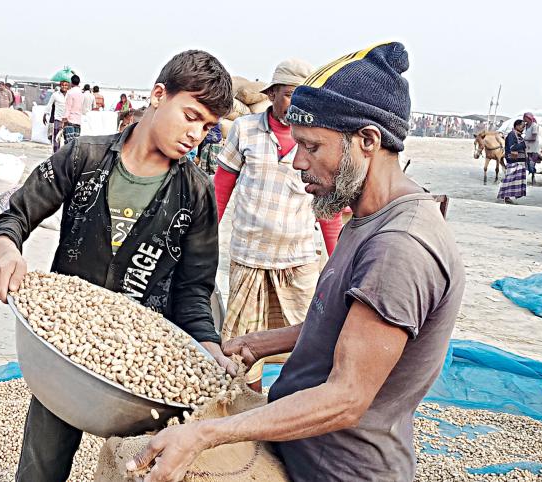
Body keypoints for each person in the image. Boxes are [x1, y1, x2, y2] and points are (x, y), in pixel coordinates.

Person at [127, 42, 465, 482]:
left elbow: (346, 398)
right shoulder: (366, 214)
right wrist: (263, 342)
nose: (297, 161)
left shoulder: (400, 247)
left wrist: (208, 434)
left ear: (367, 141)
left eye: (311, 146)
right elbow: (345, 327)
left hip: (338, 470)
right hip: (302, 452)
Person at [0, 49, 236, 482]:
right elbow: (14, 216)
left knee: (139, 468)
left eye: (208, 127)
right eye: (191, 116)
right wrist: (8, 254)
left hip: (146, 362)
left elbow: (194, 289)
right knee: (42, 465)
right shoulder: (84, 157)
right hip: (65, 349)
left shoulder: (195, 192)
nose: (196, 134)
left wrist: (208, 349)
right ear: (159, 95)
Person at [214, 58, 342, 340]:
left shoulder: (317, 140)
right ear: (271, 94)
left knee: (304, 341)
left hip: (298, 260)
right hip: (249, 257)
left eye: (303, 97)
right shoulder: (245, 129)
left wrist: (338, 259)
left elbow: (327, 209)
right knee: (241, 345)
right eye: (289, 94)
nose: (297, 104)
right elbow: (221, 190)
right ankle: (247, 387)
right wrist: (203, 240)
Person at [498, 119, 528, 204]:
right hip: (513, 161)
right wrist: (524, 144)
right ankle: (503, 196)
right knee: (509, 179)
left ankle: (506, 197)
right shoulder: (512, 135)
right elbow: (512, 147)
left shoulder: (519, 136)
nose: (523, 128)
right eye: (522, 126)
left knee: (512, 181)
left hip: (519, 162)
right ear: (517, 126)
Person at [43, 80, 69, 152]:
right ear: (60, 86)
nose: (64, 86)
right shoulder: (55, 95)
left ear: (68, 86)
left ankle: (65, 155)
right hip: (58, 119)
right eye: (63, 85)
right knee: (56, 139)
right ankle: (56, 154)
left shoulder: (70, 95)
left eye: (66, 85)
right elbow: (49, 105)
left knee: (67, 138)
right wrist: (45, 114)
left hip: (67, 120)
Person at [61, 74, 84, 143]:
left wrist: (63, 121)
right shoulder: (81, 94)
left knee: (69, 144)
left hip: (70, 121)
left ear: (71, 82)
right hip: (78, 121)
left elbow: (68, 108)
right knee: (75, 144)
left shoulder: (70, 93)